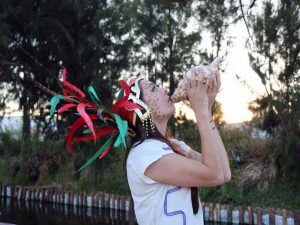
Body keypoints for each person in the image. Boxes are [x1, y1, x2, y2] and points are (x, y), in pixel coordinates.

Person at [116, 67, 231, 225]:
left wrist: (207, 111)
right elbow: (215, 174)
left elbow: (224, 174)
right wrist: (201, 110)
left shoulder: (176, 146)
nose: (163, 89)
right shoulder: (143, 153)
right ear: (140, 108)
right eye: (153, 88)